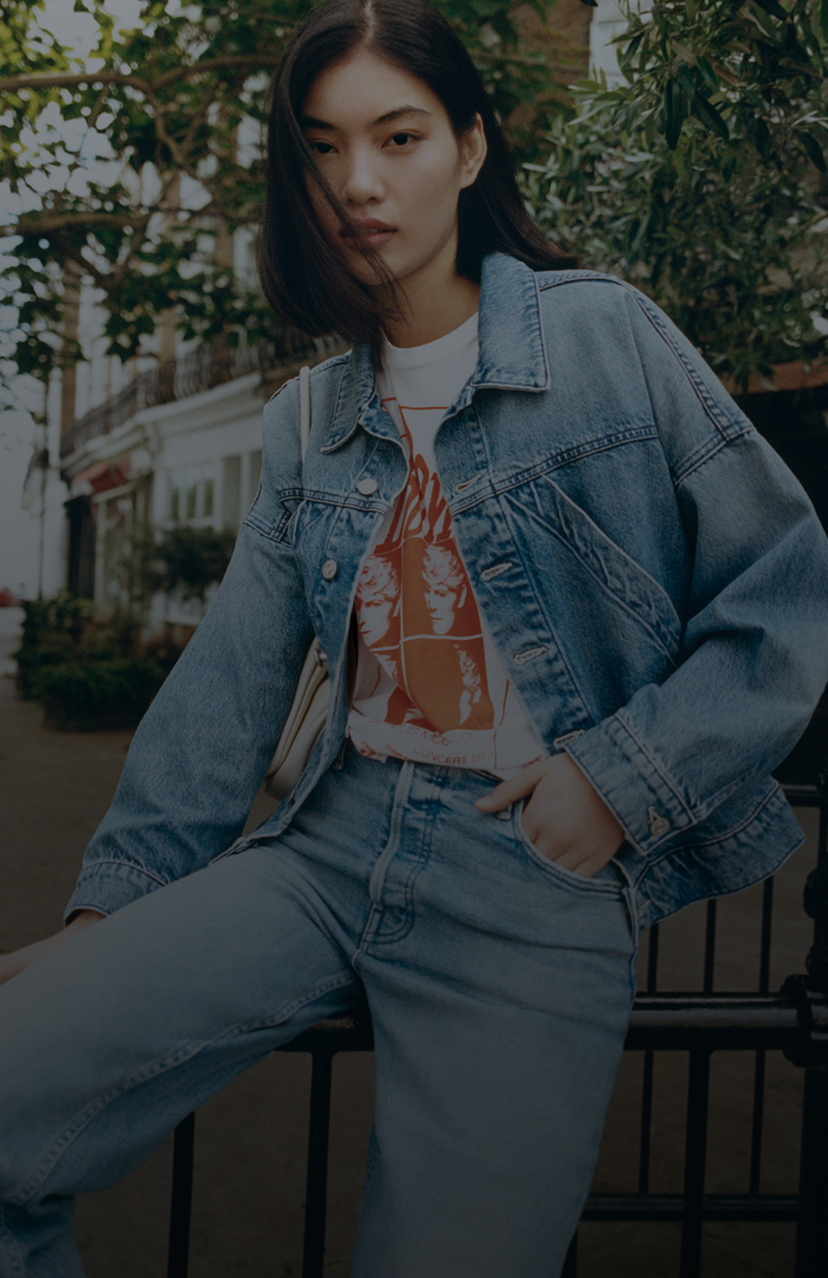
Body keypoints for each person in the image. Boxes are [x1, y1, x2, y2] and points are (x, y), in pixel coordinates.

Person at [2, 1, 828, 1273]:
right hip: (327, 846)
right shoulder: (310, 420)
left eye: (398, 136)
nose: (360, 183)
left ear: (472, 148)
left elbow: (785, 590)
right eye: (323, 148)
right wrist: (113, 910)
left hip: (530, 870)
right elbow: (228, 682)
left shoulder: (603, 338)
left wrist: (617, 786)